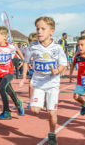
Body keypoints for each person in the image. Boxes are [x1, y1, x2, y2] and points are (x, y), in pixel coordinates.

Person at [20, 16, 67, 145]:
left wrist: (56, 71)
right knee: (34, 110)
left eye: (43, 29)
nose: (39, 32)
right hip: (39, 83)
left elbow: (63, 64)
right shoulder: (32, 47)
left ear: (52, 31)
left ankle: (52, 134)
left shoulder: (57, 48)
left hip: (52, 83)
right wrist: (24, 77)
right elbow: (25, 62)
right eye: (37, 29)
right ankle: (45, 100)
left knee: (52, 113)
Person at [0, 26, 25, 120]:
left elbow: (17, 50)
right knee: (8, 90)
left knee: (1, 88)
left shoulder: (10, 47)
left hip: (9, 72)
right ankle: (18, 102)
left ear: (5, 36)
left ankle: (6, 112)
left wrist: (24, 60)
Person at [26, 32, 38, 109]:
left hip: (40, 71)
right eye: (30, 43)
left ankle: (46, 102)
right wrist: (28, 65)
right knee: (30, 86)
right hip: (32, 70)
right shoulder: (29, 50)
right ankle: (31, 101)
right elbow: (26, 60)